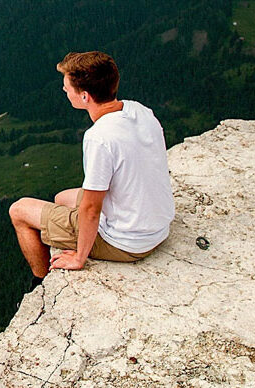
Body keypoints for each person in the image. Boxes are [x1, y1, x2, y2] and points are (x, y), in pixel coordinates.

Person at [9, 51, 174, 281]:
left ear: (85, 96)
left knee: (19, 211)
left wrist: (79, 258)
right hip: (157, 226)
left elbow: (91, 210)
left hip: (127, 242)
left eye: (67, 88)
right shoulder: (140, 111)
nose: (64, 91)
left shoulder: (100, 138)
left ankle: (40, 280)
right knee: (61, 198)